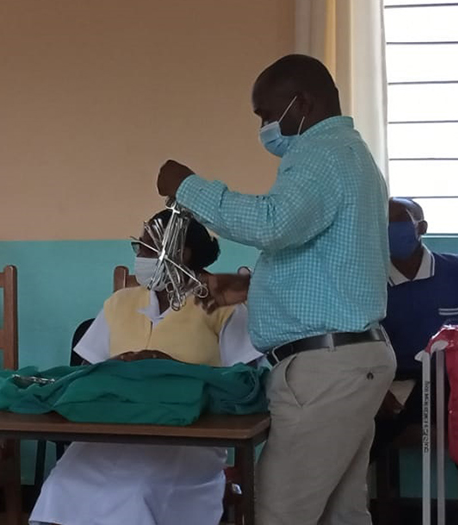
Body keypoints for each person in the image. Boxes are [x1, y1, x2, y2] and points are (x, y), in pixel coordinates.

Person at [156, 54, 395, 525]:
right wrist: (248, 287)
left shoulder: (322, 154)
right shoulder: (348, 154)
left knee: (278, 513)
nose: (264, 126)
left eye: (266, 114)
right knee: (338, 515)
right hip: (348, 361)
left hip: (326, 370)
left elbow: (273, 223)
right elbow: (330, 261)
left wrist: (188, 188)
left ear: (301, 103)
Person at [29, 209, 261, 525]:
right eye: (138, 246)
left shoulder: (221, 306)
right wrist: (121, 364)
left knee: (137, 492)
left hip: (188, 437)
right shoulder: (120, 302)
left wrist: (172, 369)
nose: (140, 255)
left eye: (149, 248)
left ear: (183, 253)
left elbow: (244, 383)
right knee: (62, 485)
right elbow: (88, 372)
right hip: (112, 432)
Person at [377, 197, 458, 525]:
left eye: (400, 221)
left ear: (422, 228)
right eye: (382, 222)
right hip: (395, 385)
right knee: (352, 434)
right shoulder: (369, 279)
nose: (391, 230)